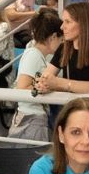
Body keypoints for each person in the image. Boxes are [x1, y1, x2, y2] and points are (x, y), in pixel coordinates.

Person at [9, 8, 63, 143]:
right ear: (53, 37)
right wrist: (48, 88)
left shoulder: (37, 55)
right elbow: (23, 87)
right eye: (61, 40)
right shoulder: (33, 55)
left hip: (33, 117)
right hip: (31, 118)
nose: (61, 44)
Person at [35, 2, 89, 96]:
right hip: (70, 104)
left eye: (68, 22)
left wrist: (59, 83)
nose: (62, 27)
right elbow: (45, 78)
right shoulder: (63, 48)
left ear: (83, 24)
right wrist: (43, 85)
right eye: (63, 21)